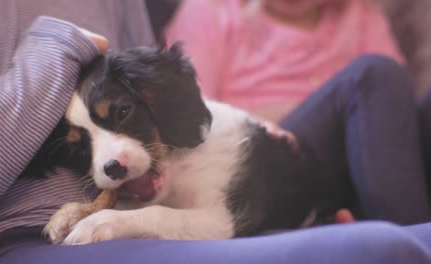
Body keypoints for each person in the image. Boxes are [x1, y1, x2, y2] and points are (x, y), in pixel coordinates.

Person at [0, 1, 431, 264]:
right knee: (382, 250)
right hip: (24, 234)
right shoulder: (215, 11)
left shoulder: (361, 17)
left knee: (379, 76)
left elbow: (173, 93)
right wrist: (55, 45)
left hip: (208, 152)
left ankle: (407, 229)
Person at [165, 0, 430, 223]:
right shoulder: (212, 9)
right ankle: (417, 240)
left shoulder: (360, 15)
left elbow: (395, 111)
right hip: (266, 157)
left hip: (365, 168)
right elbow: (188, 108)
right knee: (375, 74)